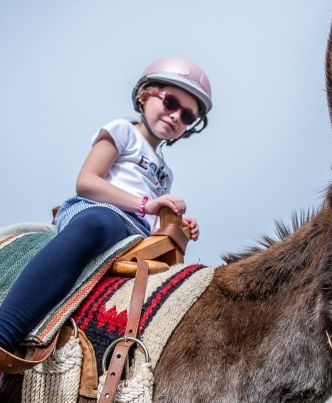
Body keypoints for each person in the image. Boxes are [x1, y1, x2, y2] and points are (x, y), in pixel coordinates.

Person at [0, 56, 212, 354]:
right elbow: (87, 181)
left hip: (134, 234)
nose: (177, 116)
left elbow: (152, 222)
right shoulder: (123, 132)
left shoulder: (166, 172)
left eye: (188, 116)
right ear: (144, 96)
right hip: (96, 212)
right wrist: (147, 204)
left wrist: (176, 227)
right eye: (170, 102)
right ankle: (4, 333)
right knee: (100, 222)